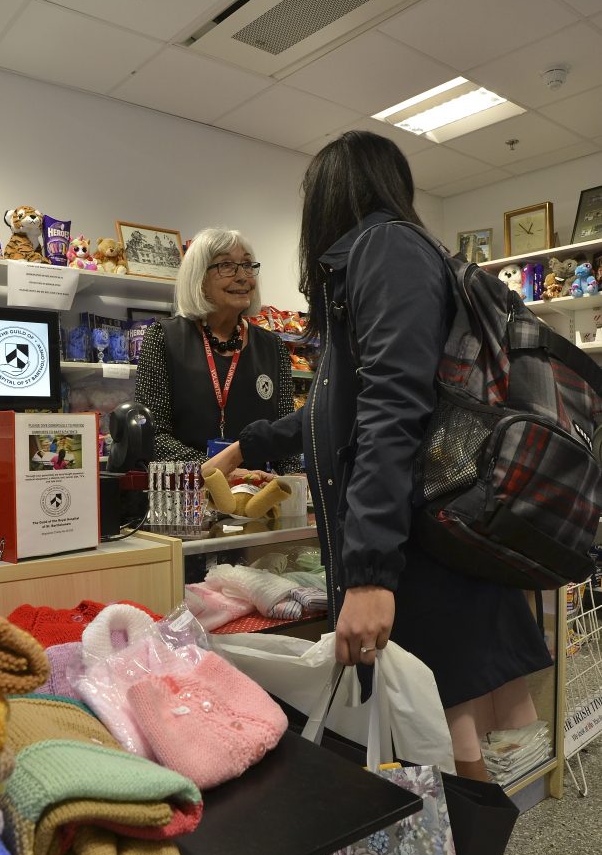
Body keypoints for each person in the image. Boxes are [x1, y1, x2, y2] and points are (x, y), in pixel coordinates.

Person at [205, 131, 552, 780]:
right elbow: (333, 409)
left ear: (332, 193)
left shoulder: (384, 249)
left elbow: (391, 408)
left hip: (421, 551)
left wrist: (367, 574)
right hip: (420, 541)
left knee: (441, 753)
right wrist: (246, 446)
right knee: (434, 746)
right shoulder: (373, 263)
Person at [135, 227, 300, 473]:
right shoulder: (163, 338)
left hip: (257, 501)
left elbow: (285, 438)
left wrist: (294, 489)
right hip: (187, 502)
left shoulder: (273, 347)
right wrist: (222, 470)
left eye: (247, 265)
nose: (243, 276)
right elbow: (153, 437)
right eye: (226, 265)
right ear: (199, 278)